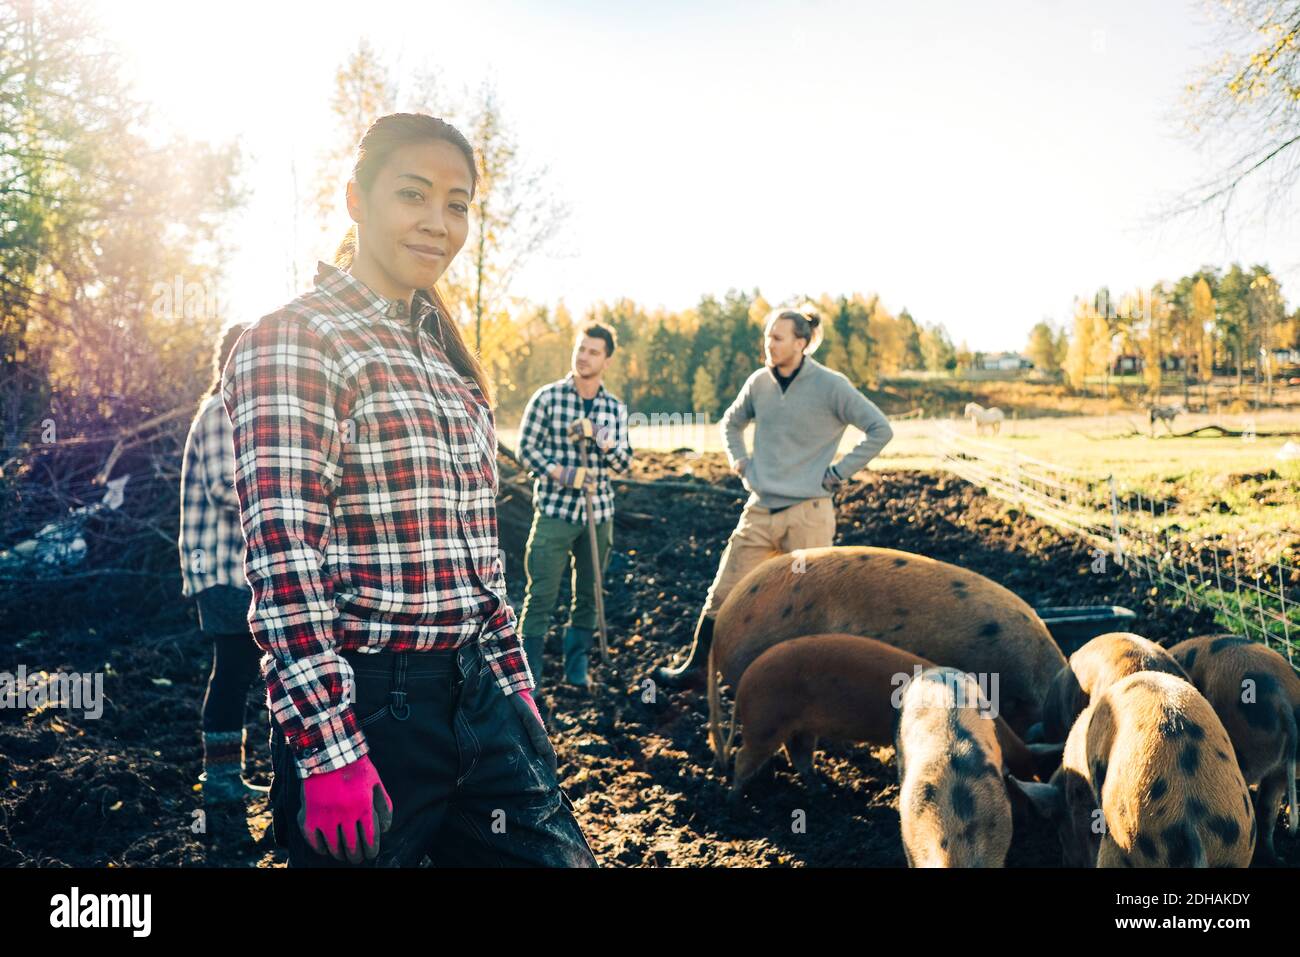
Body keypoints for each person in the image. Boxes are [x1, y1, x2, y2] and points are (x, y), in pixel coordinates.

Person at [221, 112, 596, 867]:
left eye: (457, 204)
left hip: (479, 696)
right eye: (413, 195)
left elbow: (478, 556)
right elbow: (284, 560)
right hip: (369, 709)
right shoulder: (297, 338)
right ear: (356, 199)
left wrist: (515, 687)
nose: (439, 223)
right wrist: (328, 751)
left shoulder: (447, 361)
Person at [652, 308, 895, 688]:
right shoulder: (758, 383)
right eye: (767, 336)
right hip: (760, 510)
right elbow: (730, 422)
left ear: (801, 343)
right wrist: (741, 462)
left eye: (778, 337)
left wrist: (837, 473)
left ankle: (808, 686)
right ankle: (697, 668)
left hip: (809, 515)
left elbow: (880, 429)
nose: (769, 344)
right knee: (724, 591)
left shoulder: (831, 386)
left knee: (808, 606)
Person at [179, 322, 268, 804]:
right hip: (220, 570)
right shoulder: (219, 412)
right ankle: (220, 779)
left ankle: (226, 775)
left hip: (237, 570)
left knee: (239, 668)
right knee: (235, 667)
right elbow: (222, 485)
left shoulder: (240, 412)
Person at [516, 323, 631, 694]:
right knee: (541, 594)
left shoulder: (613, 409)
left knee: (590, 592)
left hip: (598, 515)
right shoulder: (547, 398)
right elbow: (526, 449)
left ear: (607, 360)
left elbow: (625, 463)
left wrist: (600, 436)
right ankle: (529, 676)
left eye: (594, 352)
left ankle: (576, 666)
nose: (584, 356)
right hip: (554, 512)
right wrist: (563, 473)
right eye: (581, 349)